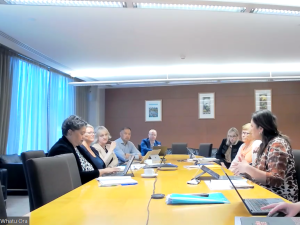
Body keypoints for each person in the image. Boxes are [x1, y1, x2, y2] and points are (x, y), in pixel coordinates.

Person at [231, 110, 298, 202]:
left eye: (252, 126)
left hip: (281, 199)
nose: (250, 129)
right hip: (266, 194)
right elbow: (260, 175)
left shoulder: (277, 144)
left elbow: (276, 180)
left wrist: (248, 168)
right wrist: (244, 170)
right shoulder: (265, 144)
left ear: (260, 129)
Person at [48, 115, 119, 184]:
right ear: (70, 132)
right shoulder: (61, 149)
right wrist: (102, 171)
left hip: (91, 182)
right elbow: (76, 177)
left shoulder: (76, 146)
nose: (83, 136)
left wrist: (103, 171)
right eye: (82, 133)